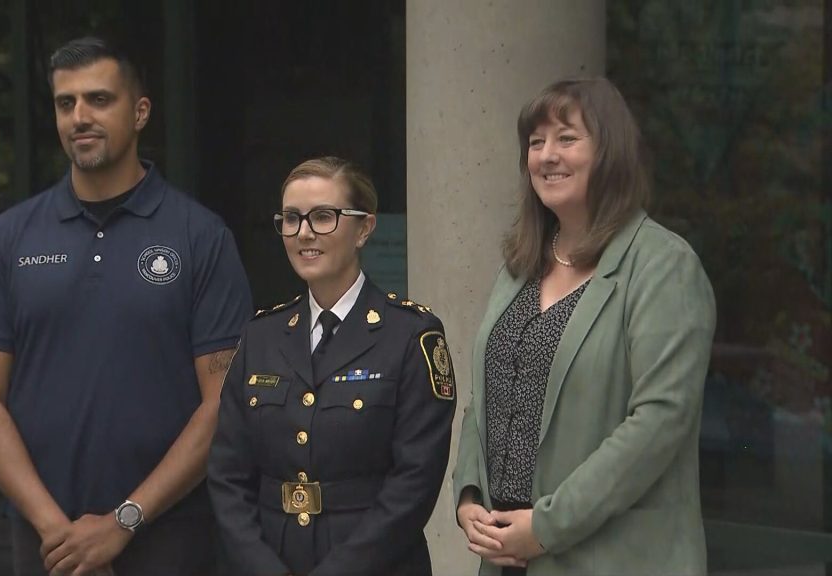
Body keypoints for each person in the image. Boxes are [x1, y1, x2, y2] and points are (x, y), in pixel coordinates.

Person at [0, 36, 252, 576]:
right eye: (65, 103)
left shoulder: (200, 236)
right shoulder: (10, 237)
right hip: (46, 541)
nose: (79, 117)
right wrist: (58, 533)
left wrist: (123, 522)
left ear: (140, 112)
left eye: (99, 100)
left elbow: (223, 403)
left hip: (170, 532)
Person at [453, 76, 716, 576]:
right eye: (536, 142)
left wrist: (546, 527)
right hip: (506, 561)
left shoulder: (664, 266)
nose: (547, 155)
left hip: (611, 559)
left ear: (611, 152)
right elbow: (484, 397)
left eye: (567, 138)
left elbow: (658, 423)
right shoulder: (519, 268)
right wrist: (469, 495)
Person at [208, 156, 456, 576]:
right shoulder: (261, 337)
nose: (304, 233)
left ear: (364, 229)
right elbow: (228, 475)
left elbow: (413, 484)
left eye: (323, 216)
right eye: (291, 218)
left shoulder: (410, 335)